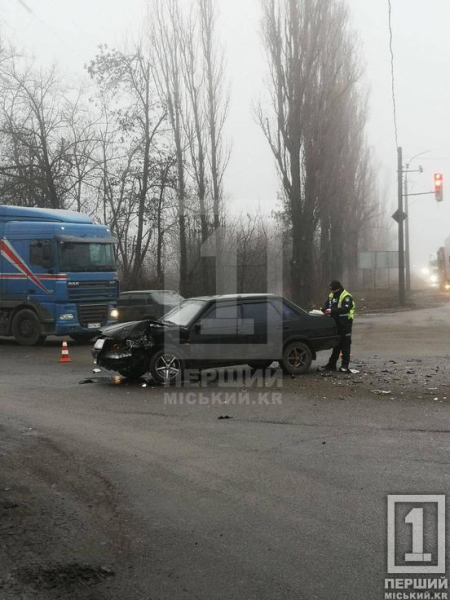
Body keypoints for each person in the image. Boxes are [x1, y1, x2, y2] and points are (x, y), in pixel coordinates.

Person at [318, 280, 355, 373]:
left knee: (345, 345)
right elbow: (327, 304)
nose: (332, 292)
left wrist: (331, 311)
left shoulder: (346, 296)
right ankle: (331, 364)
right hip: (335, 324)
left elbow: (346, 309)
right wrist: (324, 309)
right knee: (336, 345)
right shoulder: (331, 295)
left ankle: (345, 366)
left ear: (338, 288)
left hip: (345, 323)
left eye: (333, 290)